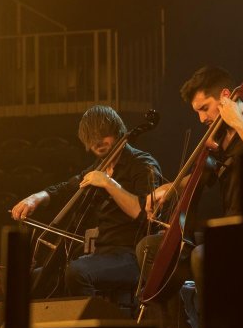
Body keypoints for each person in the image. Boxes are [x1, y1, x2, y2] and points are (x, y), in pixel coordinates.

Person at [137, 65, 243, 328]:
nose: (201, 118)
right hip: (228, 232)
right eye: (197, 111)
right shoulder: (216, 138)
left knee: (203, 255)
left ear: (226, 98)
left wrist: (238, 123)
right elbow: (197, 177)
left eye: (204, 108)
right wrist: (168, 189)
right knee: (151, 249)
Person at [11, 105, 161, 305]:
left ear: (117, 131)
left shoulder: (142, 163)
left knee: (77, 272)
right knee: (36, 277)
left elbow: (144, 213)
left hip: (133, 255)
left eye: (102, 135)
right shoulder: (97, 168)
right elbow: (65, 189)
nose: (97, 143)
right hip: (102, 254)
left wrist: (108, 183)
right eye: (91, 139)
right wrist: (35, 198)